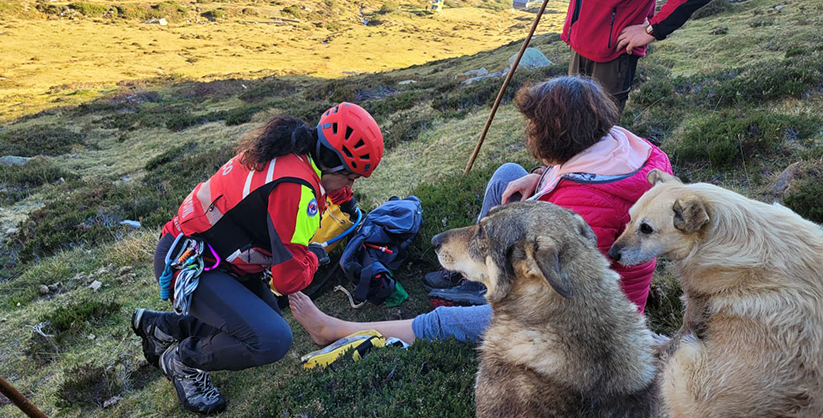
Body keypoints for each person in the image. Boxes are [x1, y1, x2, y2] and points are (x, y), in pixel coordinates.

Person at [291, 76, 672, 346]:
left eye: (533, 127)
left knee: (447, 321)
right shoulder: (625, 146)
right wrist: (539, 175)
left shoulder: (578, 211)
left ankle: (334, 329)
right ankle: (471, 278)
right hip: (566, 268)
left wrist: (502, 290)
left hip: (575, 319)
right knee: (508, 175)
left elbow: (550, 290)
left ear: (558, 134)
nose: (529, 134)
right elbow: (577, 180)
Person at [131, 103, 384, 415]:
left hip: (212, 254)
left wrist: (345, 201)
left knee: (263, 321)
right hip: (193, 265)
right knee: (271, 340)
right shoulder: (297, 190)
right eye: (351, 178)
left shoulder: (295, 146)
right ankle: (182, 361)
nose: (350, 185)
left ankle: (164, 328)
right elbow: (288, 280)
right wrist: (313, 259)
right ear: (332, 164)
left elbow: (327, 187)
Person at [563, 0, 715, 112]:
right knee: (571, 118)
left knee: (599, 130)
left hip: (613, 52)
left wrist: (653, 29)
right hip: (579, 43)